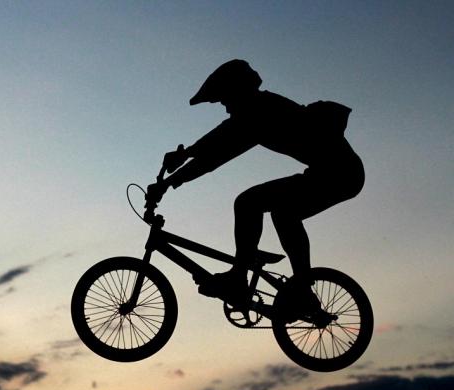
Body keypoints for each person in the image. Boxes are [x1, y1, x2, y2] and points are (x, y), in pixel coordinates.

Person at [147, 59, 364, 318]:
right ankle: (300, 289)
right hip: (335, 173)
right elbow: (218, 144)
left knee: (249, 203)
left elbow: (217, 151)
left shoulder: (260, 111)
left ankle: (242, 279)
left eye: (225, 100)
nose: (225, 107)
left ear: (237, 91)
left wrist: (174, 175)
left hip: (339, 174)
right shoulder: (257, 110)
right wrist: (181, 164)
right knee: (282, 213)